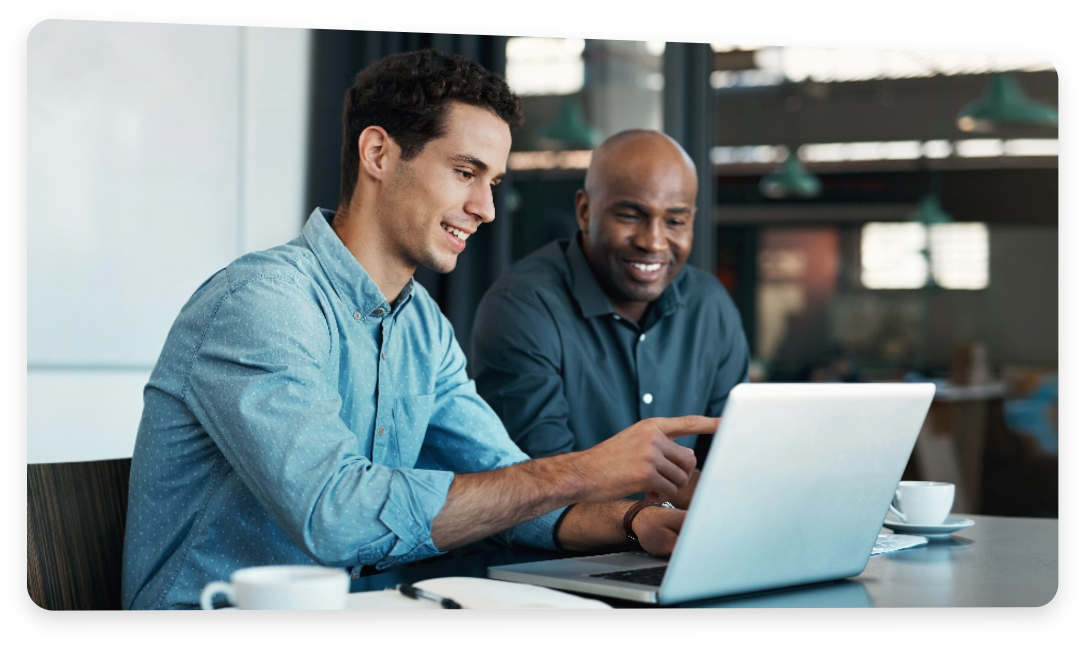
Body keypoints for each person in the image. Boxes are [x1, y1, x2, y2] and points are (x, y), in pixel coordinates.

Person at [121, 50, 716, 611]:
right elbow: (337, 516)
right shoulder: (262, 303)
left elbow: (510, 493)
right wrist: (584, 468)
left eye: (493, 183)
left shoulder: (422, 328)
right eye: (465, 172)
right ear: (378, 153)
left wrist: (635, 521)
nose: (485, 207)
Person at [471, 130, 750, 509]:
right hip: (551, 562)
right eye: (631, 216)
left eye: (675, 221)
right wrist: (645, 523)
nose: (653, 241)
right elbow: (540, 486)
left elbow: (735, 462)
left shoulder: (709, 305)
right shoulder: (523, 306)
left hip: (680, 549)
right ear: (585, 211)